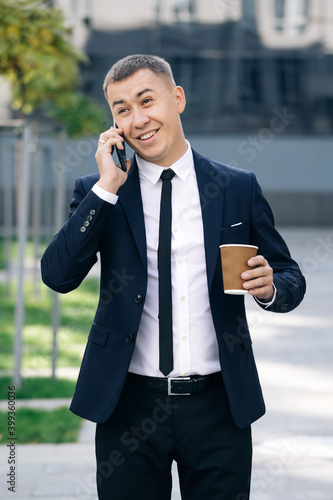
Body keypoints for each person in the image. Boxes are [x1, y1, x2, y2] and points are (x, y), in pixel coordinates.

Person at [41, 54, 306, 500]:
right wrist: (108, 186)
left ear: (177, 98)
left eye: (147, 101)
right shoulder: (100, 191)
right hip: (128, 405)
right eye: (122, 109)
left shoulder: (237, 187)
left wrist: (271, 286)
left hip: (219, 406)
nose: (138, 119)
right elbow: (58, 275)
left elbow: (289, 275)